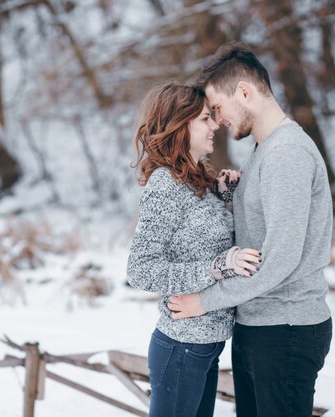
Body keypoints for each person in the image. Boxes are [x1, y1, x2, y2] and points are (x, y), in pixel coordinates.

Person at [167, 41, 333, 417]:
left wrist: (203, 301)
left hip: (285, 329)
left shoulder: (286, 153)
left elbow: (281, 258)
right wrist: (236, 198)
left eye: (218, 108)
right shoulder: (265, 149)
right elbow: (264, 228)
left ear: (244, 92)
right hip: (262, 326)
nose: (218, 120)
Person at [126, 81, 261, 417]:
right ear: (178, 126)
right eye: (204, 119)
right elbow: (140, 269)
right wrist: (217, 267)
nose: (215, 125)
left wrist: (228, 201)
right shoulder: (165, 185)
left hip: (205, 345)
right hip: (181, 346)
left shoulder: (196, 180)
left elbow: (201, 243)